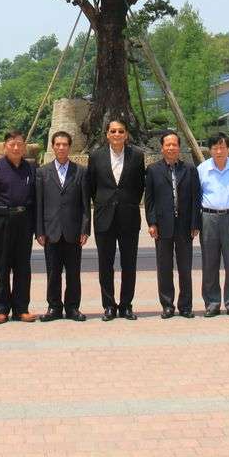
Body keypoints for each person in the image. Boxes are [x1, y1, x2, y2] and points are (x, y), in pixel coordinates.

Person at [86, 119, 146, 321]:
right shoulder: (96, 156)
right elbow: (92, 186)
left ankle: (126, 305)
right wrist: (104, 202)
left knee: (129, 263)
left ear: (126, 134)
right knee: (105, 264)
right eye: (113, 131)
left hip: (129, 216)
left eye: (121, 131)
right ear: (107, 134)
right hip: (104, 217)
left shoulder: (137, 155)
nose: (117, 134)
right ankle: (109, 305)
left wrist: (128, 202)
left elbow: (140, 186)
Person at [0, 130, 37, 323]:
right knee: (2, 266)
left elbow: (36, 198)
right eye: (12, 144)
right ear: (5, 146)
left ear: (24, 147)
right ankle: (1, 309)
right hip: (3, 221)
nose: (16, 148)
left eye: (19, 144)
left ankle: (21, 308)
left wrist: (37, 228)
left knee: (23, 267)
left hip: (25, 221)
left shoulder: (31, 168)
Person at [145, 131, 202, 318]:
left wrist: (195, 223)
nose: (171, 148)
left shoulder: (190, 169)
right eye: (167, 145)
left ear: (179, 147)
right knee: (164, 267)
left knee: (185, 267)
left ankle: (185, 306)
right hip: (162, 226)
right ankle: (167, 305)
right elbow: (150, 200)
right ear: (162, 148)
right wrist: (152, 222)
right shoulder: (153, 170)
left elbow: (196, 198)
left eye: (174, 144)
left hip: (184, 225)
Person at [34, 130, 89, 321]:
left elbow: (85, 204)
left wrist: (85, 229)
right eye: (57, 144)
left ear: (69, 147)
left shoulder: (80, 171)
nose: (61, 148)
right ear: (52, 146)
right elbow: (39, 204)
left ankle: (73, 307)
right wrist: (39, 231)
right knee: (53, 272)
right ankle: (54, 307)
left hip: (73, 231)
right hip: (51, 231)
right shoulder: (42, 172)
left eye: (65, 144)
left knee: (73, 273)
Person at [197, 133, 229, 318]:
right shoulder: (202, 169)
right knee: (209, 262)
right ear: (210, 150)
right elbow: (197, 195)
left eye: (222, 147)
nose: (219, 151)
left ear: (228, 149)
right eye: (215, 148)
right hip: (208, 218)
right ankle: (212, 303)